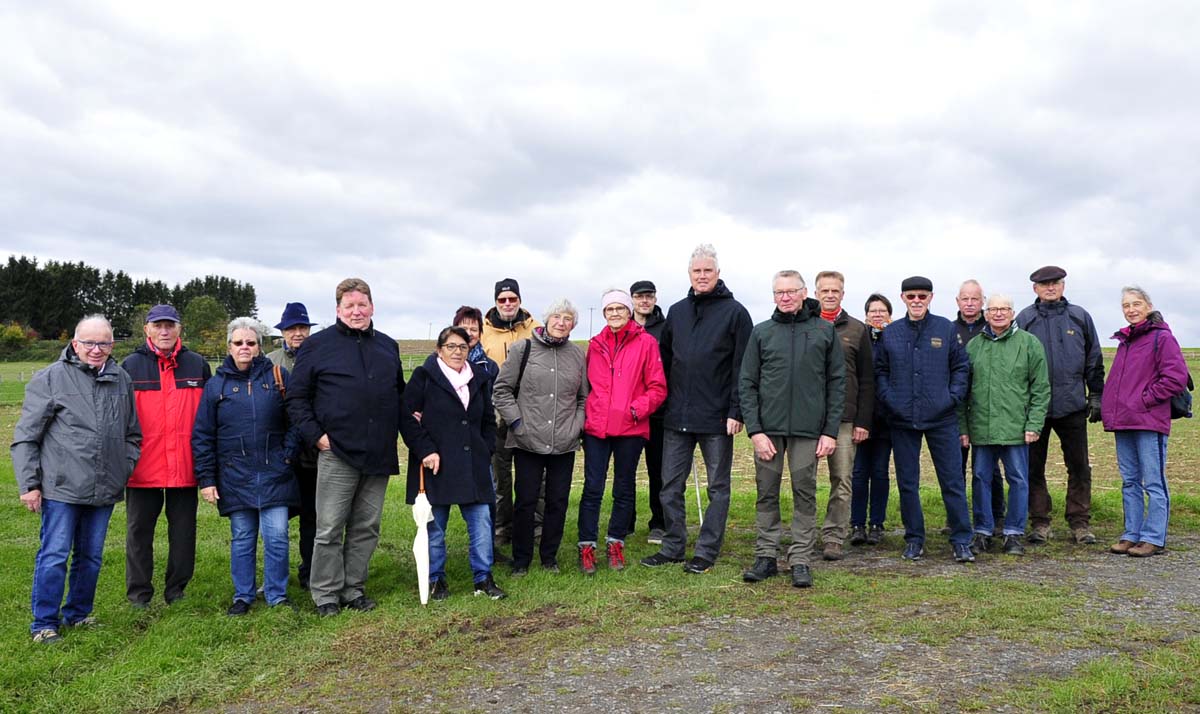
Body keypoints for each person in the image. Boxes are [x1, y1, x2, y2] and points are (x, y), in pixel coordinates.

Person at [13, 315, 141, 643]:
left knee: (91, 556)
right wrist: (30, 484)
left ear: (112, 345)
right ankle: (44, 623)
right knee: (55, 554)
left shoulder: (121, 379)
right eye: (89, 343)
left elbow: (132, 433)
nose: (96, 350)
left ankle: (78, 614)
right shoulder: (51, 379)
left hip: (104, 486)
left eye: (103, 343)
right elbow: (26, 437)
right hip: (61, 487)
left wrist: (124, 466)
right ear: (75, 343)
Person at [286, 278, 405, 617]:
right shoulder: (317, 346)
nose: (356, 311)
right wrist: (318, 437)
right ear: (338, 310)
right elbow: (296, 399)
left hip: (378, 452)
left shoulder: (387, 347)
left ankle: (353, 588)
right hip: (337, 451)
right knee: (329, 527)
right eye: (349, 306)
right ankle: (324, 594)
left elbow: (399, 395)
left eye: (362, 305)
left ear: (372, 307)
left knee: (366, 526)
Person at [642, 244, 753, 574]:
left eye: (707, 271)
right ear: (689, 274)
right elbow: (662, 362)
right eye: (696, 271)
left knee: (718, 488)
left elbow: (742, 367)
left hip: (718, 417)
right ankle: (674, 545)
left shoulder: (735, 313)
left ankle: (706, 550)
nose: (702, 276)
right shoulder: (677, 312)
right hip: (677, 416)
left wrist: (737, 410)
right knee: (669, 486)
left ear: (718, 273)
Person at [740, 271, 845, 588]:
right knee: (766, 492)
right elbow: (747, 384)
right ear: (773, 296)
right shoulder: (762, 333)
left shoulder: (824, 332)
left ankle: (800, 559)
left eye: (790, 291)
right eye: (778, 292)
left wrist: (829, 431)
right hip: (768, 431)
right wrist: (755, 431)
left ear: (803, 294)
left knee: (805, 492)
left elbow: (837, 384)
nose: (784, 297)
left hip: (808, 430)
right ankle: (766, 556)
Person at [194, 317, 300, 614]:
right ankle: (243, 595)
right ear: (229, 347)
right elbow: (203, 435)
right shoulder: (216, 386)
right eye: (238, 343)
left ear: (259, 347)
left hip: (275, 472)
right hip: (235, 476)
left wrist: (287, 455)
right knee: (242, 538)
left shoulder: (278, 377)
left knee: (277, 536)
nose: (244, 347)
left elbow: (297, 421)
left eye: (250, 343)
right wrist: (207, 479)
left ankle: (277, 595)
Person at [874, 277, 975, 563]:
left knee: (952, 480)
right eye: (911, 296)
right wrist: (890, 398)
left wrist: (951, 398)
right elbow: (880, 370)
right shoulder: (891, 333)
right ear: (903, 298)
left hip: (941, 418)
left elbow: (961, 368)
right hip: (903, 418)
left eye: (922, 296)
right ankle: (914, 539)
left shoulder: (945, 328)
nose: (916, 301)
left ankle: (961, 539)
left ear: (930, 297)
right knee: (908, 482)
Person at [400, 326, 505, 599]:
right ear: (439, 349)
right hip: (437, 465)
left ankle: (483, 578)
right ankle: (436, 580)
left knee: (482, 523)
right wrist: (426, 451)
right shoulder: (424, 377)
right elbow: (407, 419)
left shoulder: (479, 378)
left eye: (463, 347)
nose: (457, 352)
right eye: (451, 346)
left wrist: (486, 448)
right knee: (435, 528)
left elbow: (487, 421)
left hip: (473, 465)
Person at [122, 304, 211, 607]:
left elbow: (209, 417)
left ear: (179, 329)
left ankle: (176, 590)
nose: (164, 331)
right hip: (142, 467)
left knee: (184, 533)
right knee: (138, 533)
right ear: (146, 329)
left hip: (185, 466)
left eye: (169, 325)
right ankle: (139, 594)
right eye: (158, 325)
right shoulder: (130, 366)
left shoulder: (197, 365)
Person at [492, 299, 587, 575]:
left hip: (564, 442)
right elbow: (502, 390)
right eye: (556, 316)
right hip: (527, 440)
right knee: (525, 501)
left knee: (557, 501)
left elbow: (583, 398)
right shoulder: (524, 348)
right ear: (547, 320)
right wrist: (518, 423)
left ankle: (549, 557)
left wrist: (576, 426)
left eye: (567, 318)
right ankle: (521, 560)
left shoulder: (577, 355)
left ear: (573, 324)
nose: (561, 322)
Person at [578, 289, 667, 573]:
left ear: (629, 311)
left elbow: (657, 387)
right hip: (597, 427)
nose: (615, 313)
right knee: (592, 488)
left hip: (630, 428)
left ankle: (616, 542)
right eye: (609, 309)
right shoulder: (595, 344)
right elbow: (587, 386)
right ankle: (587, 545)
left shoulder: (647, 343)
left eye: (620, 308)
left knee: (624, 487)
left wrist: (635, 410)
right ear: (604, 313)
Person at [1016, 266, 1105, 544]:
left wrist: (1096, 395)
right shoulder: (1025, 319)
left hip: (1072, 405)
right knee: (1033, 467)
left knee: (1079, 466)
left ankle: (1080, 523)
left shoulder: (1079, 317)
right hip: (1035, 410)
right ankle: (1040, 522)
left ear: (1063, 286)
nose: (1050, 288)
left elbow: (1094, 358)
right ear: (1035, 289)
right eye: (1044, 285)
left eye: (1055, 283)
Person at [959, 294, 1050, 557]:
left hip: (1016, 428)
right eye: (993, 309)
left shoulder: (1029, 344)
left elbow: (1041, 388)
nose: (998, 313)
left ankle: (1013, 533)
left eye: (1004, 309)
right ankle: (984, 531)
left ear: (1012, 313)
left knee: (1018, 480)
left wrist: (1034, 424)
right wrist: (963, 427)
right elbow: (963, 391)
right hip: (982, 428)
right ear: (986, 314)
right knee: (980, 479)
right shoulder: (975, 346)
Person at [1102, 287, 1189, 558]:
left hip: (1149, 420)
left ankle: (1153, 537)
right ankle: (1132, 534)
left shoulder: (1161, 338)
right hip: (1124, 421)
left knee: (1154, 481)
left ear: (1148, 306)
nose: (1131, 309)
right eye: (1126, 305)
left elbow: (1176, 377)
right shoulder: (1126, 340)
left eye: (1136, 304)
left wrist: (1145, 399)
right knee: (1129, 481)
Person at [813, 270, 873, 561]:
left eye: (834, 290)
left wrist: (863, 420)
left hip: (845, 420)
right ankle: (804, 534)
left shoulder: (857, 330)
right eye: (824, 290)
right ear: (815, 294)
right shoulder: (806, 324)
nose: (829, 295)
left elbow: (867, 379)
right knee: (804, 480)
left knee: (842, 479)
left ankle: (834, 536)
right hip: (808, 419)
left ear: (842, 294)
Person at [480, 278, 541, 547]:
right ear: (495, 302)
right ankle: (501, 529)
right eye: (502, 299)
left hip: (530, 411)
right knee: (499, 475)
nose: (507, 304)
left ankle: (535, 527)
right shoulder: (482, 332)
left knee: (534, 475)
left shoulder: (536, 329)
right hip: (496, 412)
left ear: (519, 300)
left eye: (512, 299)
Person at [266, 302, 319, 590]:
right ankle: (275, 579)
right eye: (291, 328)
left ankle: (310, 572)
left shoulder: (322, 355)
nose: (297, 333)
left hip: (312, 450)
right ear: (283, 332)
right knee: (278, 518)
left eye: (302, 327)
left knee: (313, 516)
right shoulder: (270, 361)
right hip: (279, 449)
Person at [952, 280, 1005, 535]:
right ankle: (958, 517)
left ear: (982, 302)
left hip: (988, 409)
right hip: (958, 407)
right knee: (956, 466)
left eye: (975, 299)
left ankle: (997, 516)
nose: (970, 303)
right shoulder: (950, 330)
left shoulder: (994, 328)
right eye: (965, 299)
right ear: (958, 302)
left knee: (989, 468)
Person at [850, 294, 893, 547]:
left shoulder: (896, 338)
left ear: (889, 314)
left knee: (879, 471)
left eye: (882, 311)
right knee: (858, 473)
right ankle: (856, 524)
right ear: (866, 314)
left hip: (886, 419)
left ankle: (877, 523)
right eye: (873, 311)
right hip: (861, 417)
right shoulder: (859, 337)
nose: (877, 315)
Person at [630, 279, 668, 544]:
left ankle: (659, 522)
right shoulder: (622, 326)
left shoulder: (666, 329)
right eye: (640, 296)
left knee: (659, 470)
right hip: (628, 414)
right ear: (632, 299)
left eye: (649, 296)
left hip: (659, 413)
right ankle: (625, 521)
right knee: (626, 470)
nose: (644, 301)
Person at [453, 305, 500, 387]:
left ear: (480, 333)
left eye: (473, 330)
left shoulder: (490, 367)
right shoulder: (441, 362)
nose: (468, 334)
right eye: (464, 329)